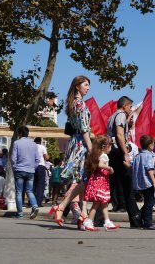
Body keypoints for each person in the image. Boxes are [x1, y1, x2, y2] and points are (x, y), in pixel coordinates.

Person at [50, 76, 92, 226]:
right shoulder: (79, 104)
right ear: (77, 86)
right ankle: (65, 208)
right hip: (81, 144)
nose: (88, 88)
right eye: (86, 85)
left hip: (75, 143)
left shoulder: (73, 103)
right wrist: (91, 148)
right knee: (83, 180)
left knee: (79, 180)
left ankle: (80, 214)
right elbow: (84, 129)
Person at [107, 96, 142, 228]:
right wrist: (126, 153)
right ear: (125, 105)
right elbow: (120, 134)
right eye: (130, 106)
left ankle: (99, 217)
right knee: (128, 185)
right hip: (118, 153)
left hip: (112, 153)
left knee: (113, 186)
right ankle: (135, 219)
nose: (130, 109)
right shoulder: (120, 115)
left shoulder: (113, 116)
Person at [80, 135, 120, 231]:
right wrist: (109, 168)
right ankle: (88, 221)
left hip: (99, 181)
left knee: (103, 203)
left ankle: (107, 221)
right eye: (110, 145)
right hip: (100, 182)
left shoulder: (96, 155)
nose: (111, 148)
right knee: (97, 203)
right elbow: (100, 165)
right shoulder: (104, 155)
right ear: (104, 146)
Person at [132, 135, 155, 230]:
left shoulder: (138, 156)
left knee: (149, 201)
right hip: (147, 182)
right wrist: (154, 182)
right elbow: (149, 170)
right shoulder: (148, 155)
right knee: (150, 202)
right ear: (149, 145)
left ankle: (139, 215)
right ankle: (147, 222)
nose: (154, 146)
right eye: (153, 144)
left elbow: (133, 167)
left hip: (139, 182)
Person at [11, 126, 40, 219]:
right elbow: (37, 159)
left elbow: (13, 158)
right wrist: (33, 168)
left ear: (19, 133)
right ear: (28, 134)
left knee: (19, 192)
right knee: (29, 190)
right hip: (30, 171)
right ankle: (35, 205)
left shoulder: (16, 143)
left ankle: (20, 214)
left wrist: (14, 168)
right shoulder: (34, 144)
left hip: (19, 170)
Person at [33, 137, 49, 207]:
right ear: (40, 141)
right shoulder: (42, 147)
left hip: (33, 166)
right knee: (40, 185)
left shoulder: (32, 147)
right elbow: (46, 157)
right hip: (41, 166)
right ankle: (38, 202)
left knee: (33, 185)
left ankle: (31, 202)